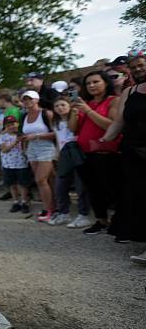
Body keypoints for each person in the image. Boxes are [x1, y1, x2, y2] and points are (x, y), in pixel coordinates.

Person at [100, 51, 146, 253]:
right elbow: (120, 121)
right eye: (134, 67)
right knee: (138, 194)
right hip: (132, 150)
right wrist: (106, 138)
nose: (138, 69)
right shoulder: (129, 92)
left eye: (141, 65)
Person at [74, 71, 121, 237]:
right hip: (84, 152)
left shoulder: (113, 101)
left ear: (106, 83)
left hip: (105, 152)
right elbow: (74, 129)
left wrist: (88, 111)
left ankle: (120, 221)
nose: (91, 86)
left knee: (111, 189)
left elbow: (112, 124)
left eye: (95, 82)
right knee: (93, 189)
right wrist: (73, 114)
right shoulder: (86, 103)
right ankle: (101, 221)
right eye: (88, 83)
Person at [51, 96, 91, 228]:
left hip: (76, 153)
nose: (60, 108)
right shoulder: (55, 122)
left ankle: (83, 215)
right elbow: (58, 138)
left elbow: (75, 131)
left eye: (63, 105)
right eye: (57, 106)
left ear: (69, 106)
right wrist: (57, 153)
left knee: (80, 186)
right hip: (63, 155)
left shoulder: (76, 118)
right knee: (60, 185)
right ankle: (64, 213)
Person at [20, 90, 56, 221]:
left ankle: (48, 209)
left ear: (37, 99)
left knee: (40, 180)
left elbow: (56, 133)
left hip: (46, 147)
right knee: (46, 180)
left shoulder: (46, 113)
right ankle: (52, 206)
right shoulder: (24, 116)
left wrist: (36, 136)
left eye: (29, 98)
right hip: (32, 149)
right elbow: (23, 133)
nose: (27, 101)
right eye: (24, 99)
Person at [0, 116, 32, 214]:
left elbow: (26, 148)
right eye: (8, 125)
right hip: (8, 164)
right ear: (5, 126)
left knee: (23, 184)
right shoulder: (3, 136)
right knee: (12, 184)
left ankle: (24, 202)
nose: (11, 127)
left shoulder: (23, 135)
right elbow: (4, 149)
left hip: (21, 163)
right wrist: (15, 141)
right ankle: (15, 201)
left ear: (17, 124)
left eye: (13, 124)